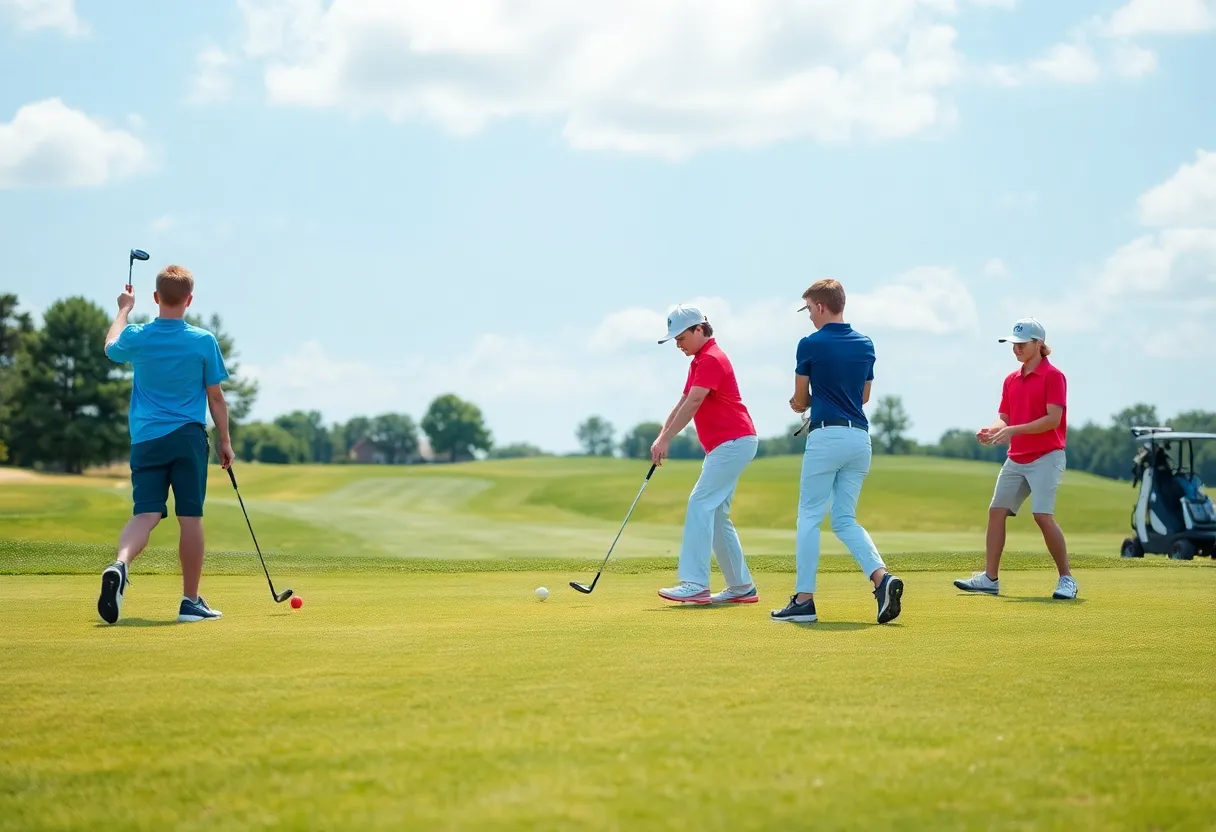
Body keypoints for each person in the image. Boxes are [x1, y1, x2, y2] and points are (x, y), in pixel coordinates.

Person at [97, 264, 235, 624]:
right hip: (187, 438)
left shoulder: (138, 335)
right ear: (189, 300)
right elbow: (216, 398)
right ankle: (190, 602)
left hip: (146, 439)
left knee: (145, 514)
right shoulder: (203, 341)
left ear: (156, 297)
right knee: (190, 518)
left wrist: (124, 308)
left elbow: (110, 347)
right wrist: (225, 441)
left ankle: (120, 564)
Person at [771, 279, 904, 625]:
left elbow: (800, 398)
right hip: (859, 439)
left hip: (826, 438)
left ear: (820, 306)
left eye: (808, 309)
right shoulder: (865, 344)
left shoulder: (809, 344)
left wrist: (799, 404)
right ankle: (882, 579)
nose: (809, 316)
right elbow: (863, 396)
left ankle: (804, 601)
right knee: (844, 519)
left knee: (809, 517)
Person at [954, 317, 1077, 600]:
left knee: (1042, 516)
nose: (1016, 348)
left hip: (1047, 456)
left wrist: (1011, 431)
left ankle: (1067, 579)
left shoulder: (1054, 376)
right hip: (1017, 458)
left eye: (1022, 343)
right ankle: (990, 579)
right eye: (1014, 343)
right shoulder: (1011, 380)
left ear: (1039, 344)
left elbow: (1052, 419)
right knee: (996, 512)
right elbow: (1004, 417)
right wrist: (992, 430)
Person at [652, 305, 761, 605]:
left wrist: (668, 438)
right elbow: (684, 400)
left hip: (733, 440)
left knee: (700, 503)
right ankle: (741, 586)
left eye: (681, 337)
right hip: (729, 443)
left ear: (699, 329)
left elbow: (694, 402)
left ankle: (695, 583)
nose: (678, 344)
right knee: (715, 515)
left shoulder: (711, 358)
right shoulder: (700, 361)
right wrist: (662, 436)